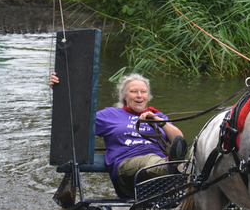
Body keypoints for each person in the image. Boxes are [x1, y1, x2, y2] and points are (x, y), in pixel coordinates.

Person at [50, 72, 187, 198]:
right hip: (126, 168)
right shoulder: (109, 115)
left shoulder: (158, 116)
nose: (139, 95)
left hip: (159, 167)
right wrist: (60, 92)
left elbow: (178, 140)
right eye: (134, 91)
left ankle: (176, 169)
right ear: (125, 96)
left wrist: (160, 122)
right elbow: (74, 124)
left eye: (143, 92)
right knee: (149, 161)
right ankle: (172, 167)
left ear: (147, 96)